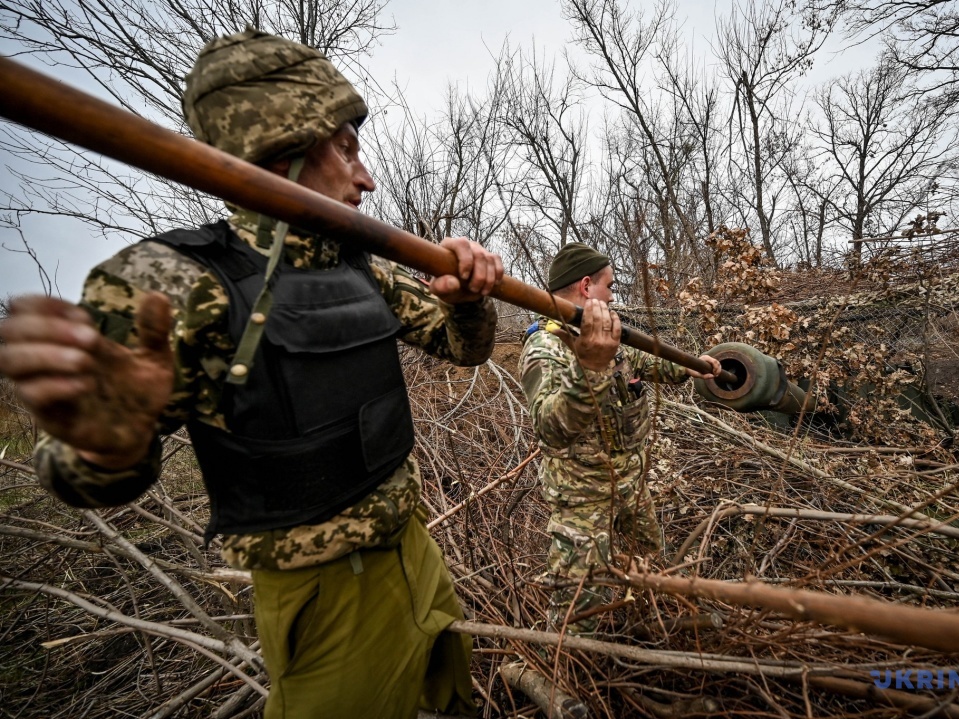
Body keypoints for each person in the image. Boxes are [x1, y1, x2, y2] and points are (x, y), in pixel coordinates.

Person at [0, 30, 503, 719]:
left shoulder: (359, 264)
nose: (367, 178)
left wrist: (470, 303)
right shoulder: (169, 281)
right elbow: (77, 472)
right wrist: (107, 441)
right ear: (287, 147)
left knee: (452, 696)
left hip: (413, 543)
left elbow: (462, 348)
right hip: (323, 595)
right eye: (348, 149)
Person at [518, 243, 720, 634]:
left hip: (630, 481)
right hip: (582, 496)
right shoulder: (545, 347)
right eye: (609, 286)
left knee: (649, 564)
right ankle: (562, 673)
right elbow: (550, 427)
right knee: (578, 602)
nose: (613, 295)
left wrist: (693, 366)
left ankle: (644, 628)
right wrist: (590, 367)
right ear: (587, 285)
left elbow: (643, 361)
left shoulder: (607, 331)